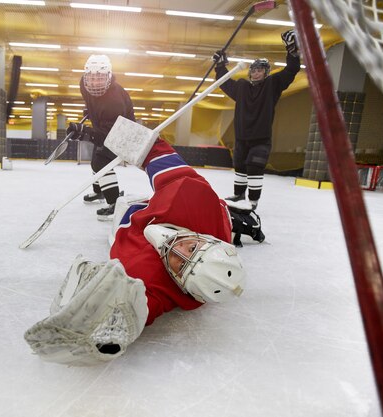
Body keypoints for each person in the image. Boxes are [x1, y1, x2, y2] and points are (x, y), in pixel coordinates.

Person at [24, 136, 246, 366]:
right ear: (207, 239)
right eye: (191, 248)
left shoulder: (157, 280)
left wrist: (106, 331)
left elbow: (140, 307)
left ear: (182, 285)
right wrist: (131, 138)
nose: (176, 250)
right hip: (189, 210)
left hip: (130, 219)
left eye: (181, 265)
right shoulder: (192, 197)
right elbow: (161, 158)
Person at [213, 30, 301, 210]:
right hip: (242, 138)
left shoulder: (272, 85)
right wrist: (220, 65)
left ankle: (253, 201)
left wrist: (291, 50)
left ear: (266, 72)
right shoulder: (242, 87)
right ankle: (238, 195)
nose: (255, 72)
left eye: (260, 70)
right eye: (253, 69)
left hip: (261, 139)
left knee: (254, 167)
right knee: (239, 166)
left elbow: (291, 70)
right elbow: (224, 82)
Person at [65, 54, 135, 221]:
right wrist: (90, 111)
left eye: (100, 78)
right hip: (103, 126)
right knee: (95, 159)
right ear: (86, 75)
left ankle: (114, 203)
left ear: (109, 76)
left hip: (122, 131)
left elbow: (107, 136)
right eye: (92, 78)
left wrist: (84, 131)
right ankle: (99, 192)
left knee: (101, 162)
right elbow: (92, 101)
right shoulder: (83, 84)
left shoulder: (114, 102)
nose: (95, 82)